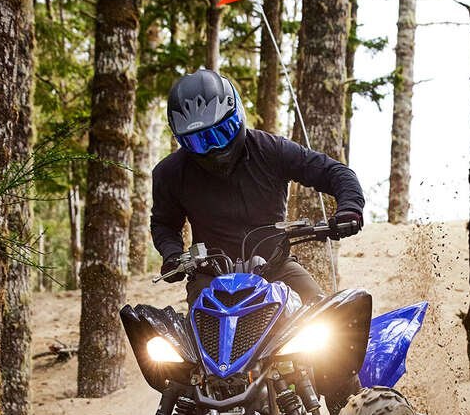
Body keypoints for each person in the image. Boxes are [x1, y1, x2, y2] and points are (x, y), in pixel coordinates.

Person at [150, 69, 364, 305]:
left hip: (278, 269)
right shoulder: (170, 172)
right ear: (182, 140)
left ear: (237, 117)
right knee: (194, 326)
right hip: (209, 278)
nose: (213, 148)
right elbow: (164, 223)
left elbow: (334, 172)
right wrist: (172, 253)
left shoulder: (272, 150)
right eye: (198, 141)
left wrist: (350, 208)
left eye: (221, 133)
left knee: (327, 314)